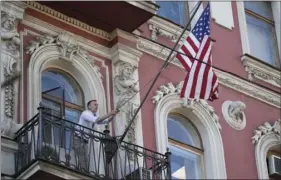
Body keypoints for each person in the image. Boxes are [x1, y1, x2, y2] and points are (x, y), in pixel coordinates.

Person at [72, 99, 119, 172]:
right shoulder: (85, 113)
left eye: (97, 105)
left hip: (84, 141)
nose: (96, 106)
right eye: (95, 104)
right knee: (82, 160)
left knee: (85, 160)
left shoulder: (93, 115)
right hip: (78, 139)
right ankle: (83, 174)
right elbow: (97, 120)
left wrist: (113, 115)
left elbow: (106, 121)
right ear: (89, 106)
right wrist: (110, 113)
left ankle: (84, 173)